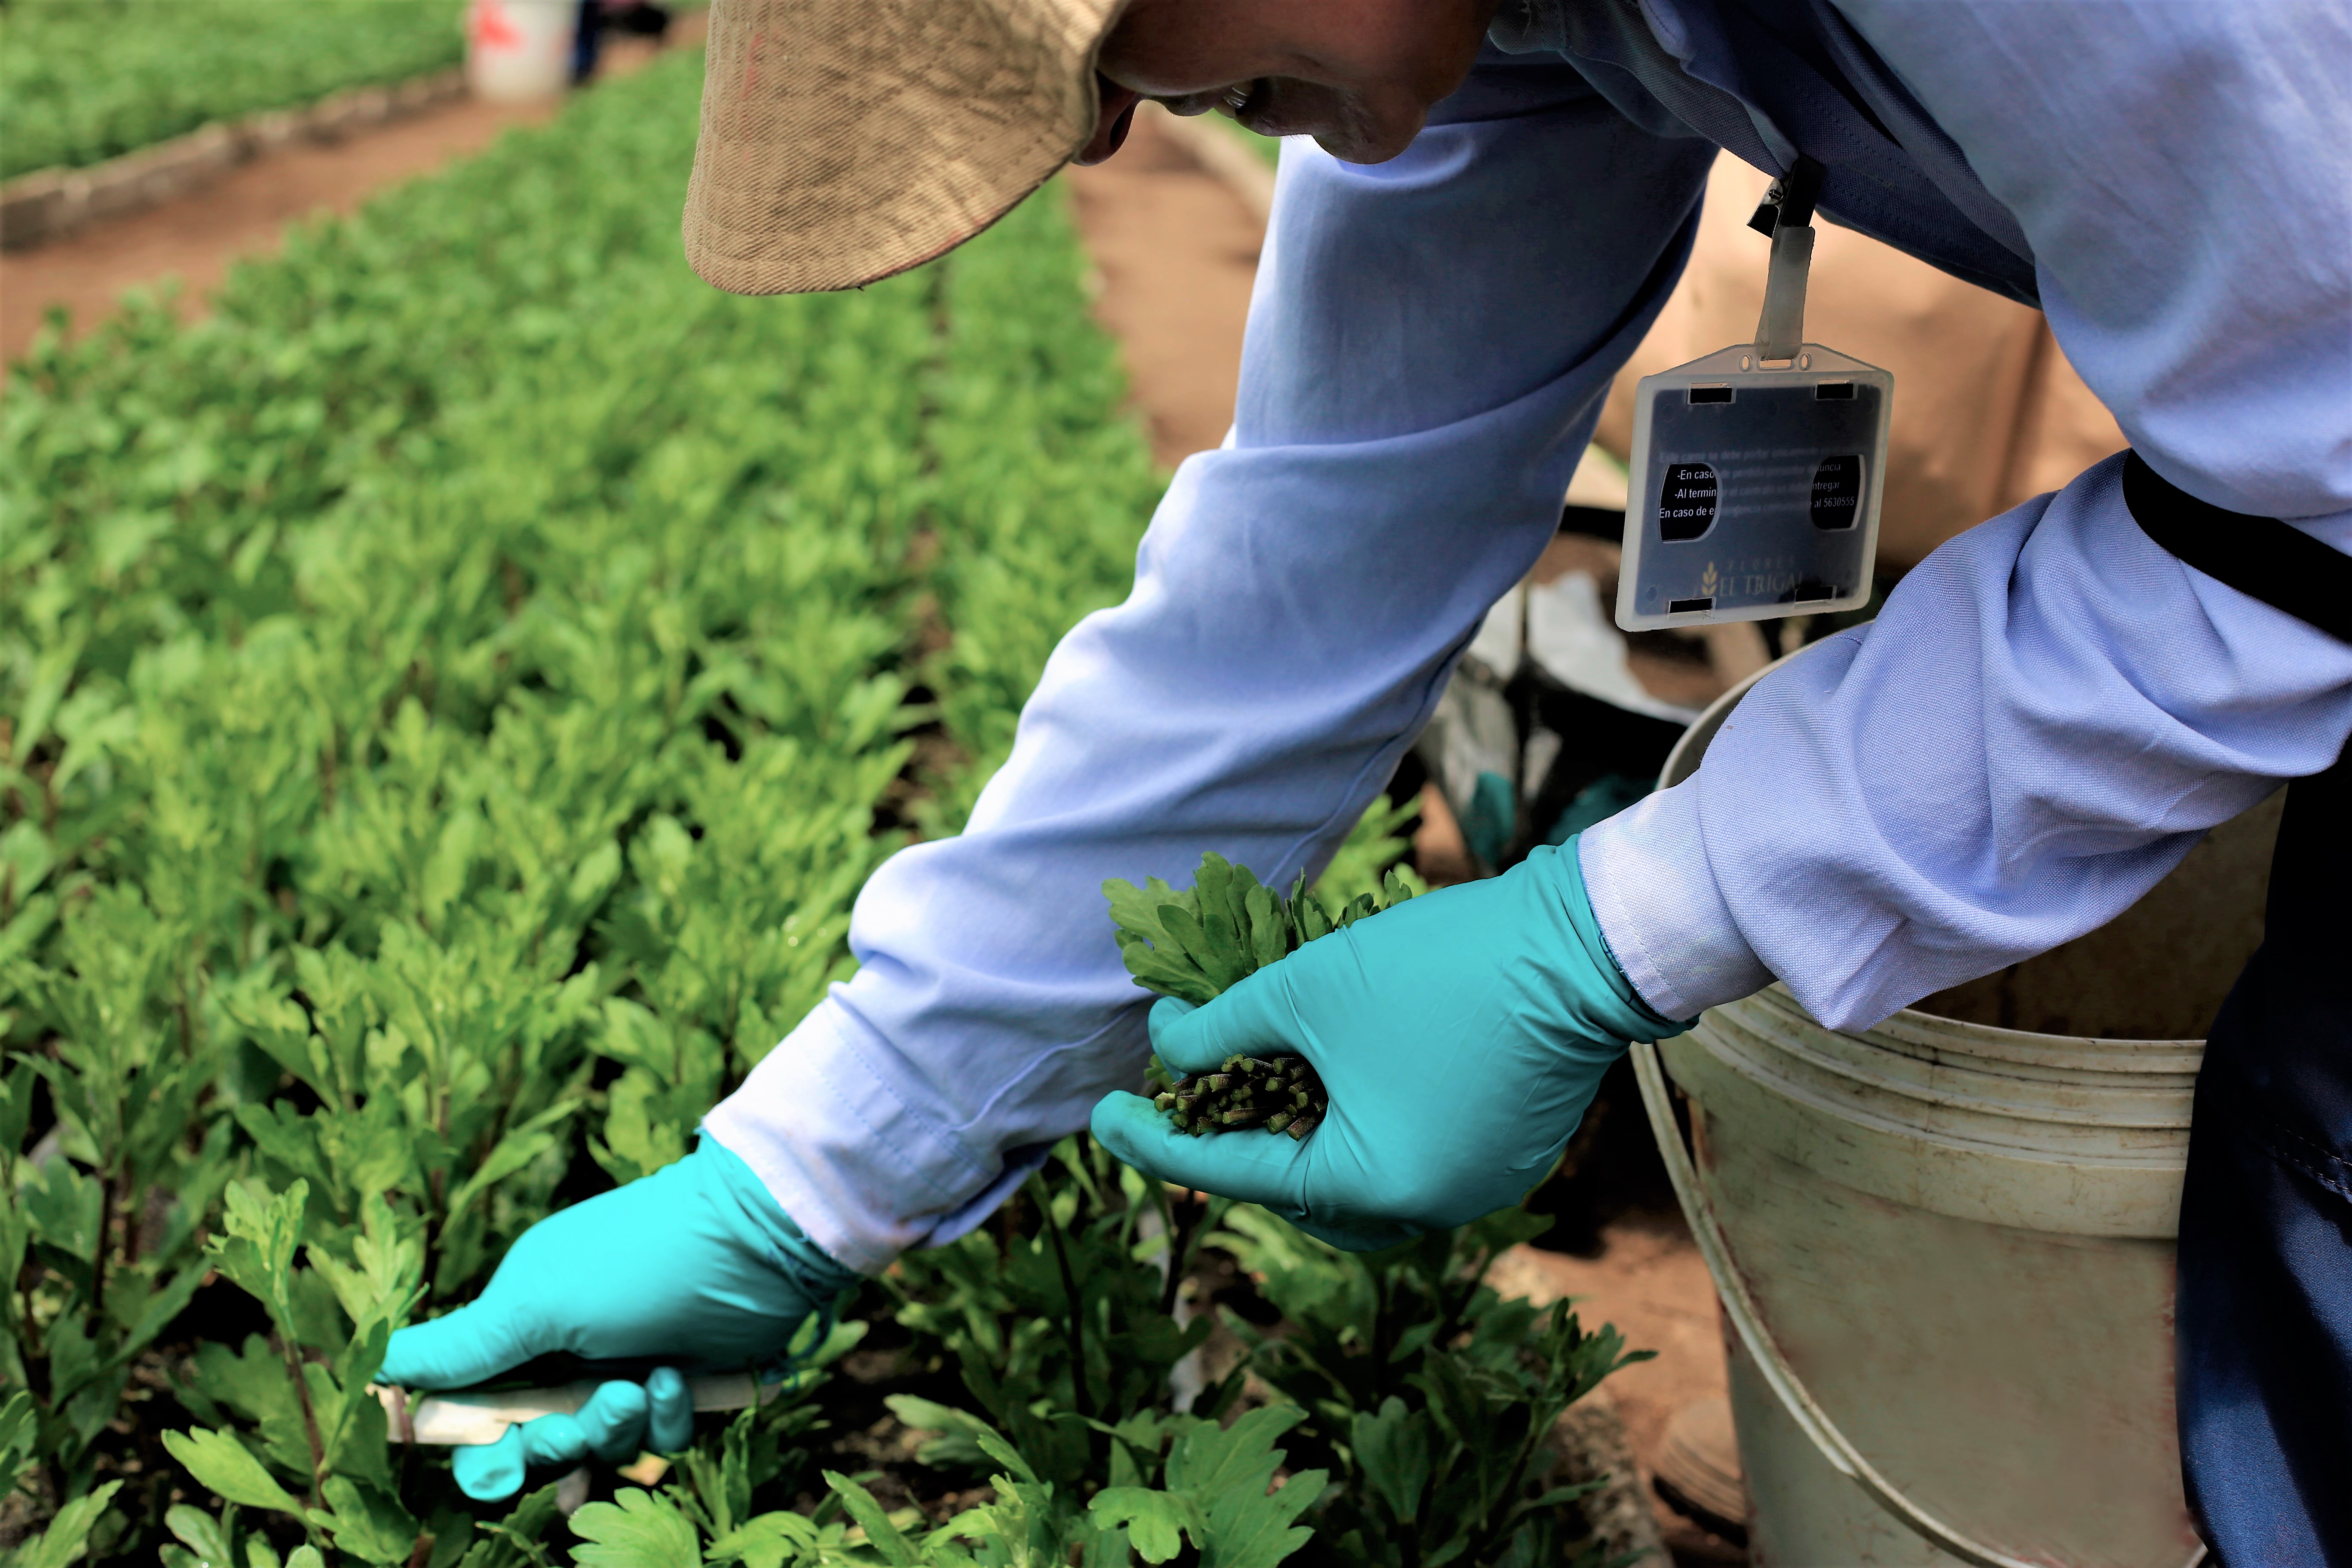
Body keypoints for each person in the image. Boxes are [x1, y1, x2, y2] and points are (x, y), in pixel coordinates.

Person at [381, 0, 2352, 1552]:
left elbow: (2318, 492)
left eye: (1104, 33)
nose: (1107, 130)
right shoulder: (1496, 33)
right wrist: (802, 1186)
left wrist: (1624, 924)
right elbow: (1317, 565)